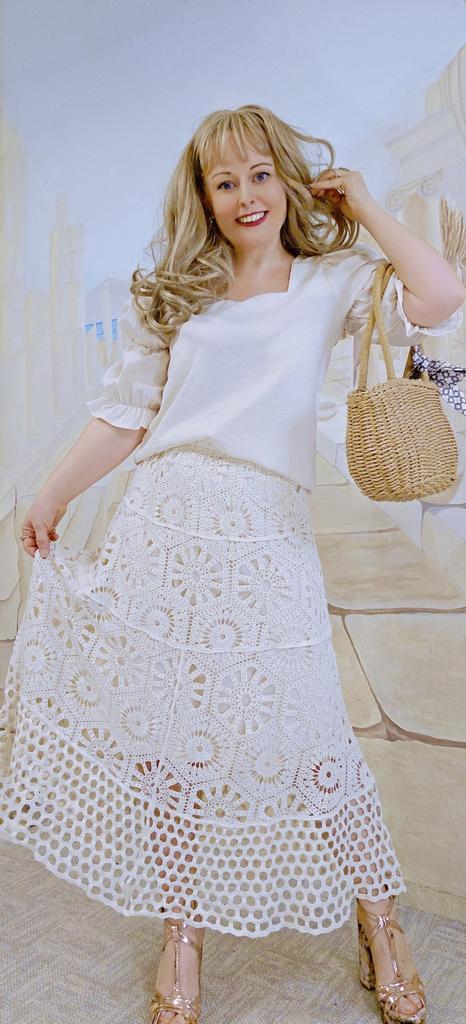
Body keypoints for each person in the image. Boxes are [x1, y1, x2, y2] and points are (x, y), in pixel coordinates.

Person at [0, 104, 463, 1024]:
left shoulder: (331, 279)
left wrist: (365, 204)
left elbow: (441, 294)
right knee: (171, 744)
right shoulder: (179, 293)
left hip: (266, 533)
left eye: (260, 174)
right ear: (203, 197)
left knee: (317, 738)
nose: (246, 195)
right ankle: (184, 930)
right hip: (163, 527)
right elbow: (125, 416)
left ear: (286, 179)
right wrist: (50, 495)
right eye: (224, 181)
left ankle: (381, 924)